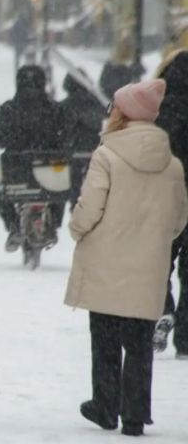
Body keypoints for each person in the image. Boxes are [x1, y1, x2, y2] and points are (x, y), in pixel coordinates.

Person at [65, 79, 188, 437]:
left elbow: (91, 206)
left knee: (103, 336)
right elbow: (180, 217)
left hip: (106, 258)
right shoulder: (172, 163)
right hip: (148, 264)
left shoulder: (108, 154)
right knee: (138, 342)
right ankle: (135, 413)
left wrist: (76, 229)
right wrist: (156, 241)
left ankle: (105, 406)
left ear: (124, 113)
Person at [0, 64, 70, 251]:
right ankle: (55, 223)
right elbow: (66, 136)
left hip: (17, 173)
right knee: (62, 189)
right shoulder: (55, 110)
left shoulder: (9, 109)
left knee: (1, 193)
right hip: (49, 173)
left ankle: (13, 226)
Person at [152, 50, 188, 357]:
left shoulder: (156, 108)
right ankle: (186, 340)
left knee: (159, 260)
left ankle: (161, 308)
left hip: (166, 194)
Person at [59, 71, 104, 208]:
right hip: (94, 149)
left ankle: (76, 207)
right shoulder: (97, 104)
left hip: (72, 151)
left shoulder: (63, 106)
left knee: (74, 181)